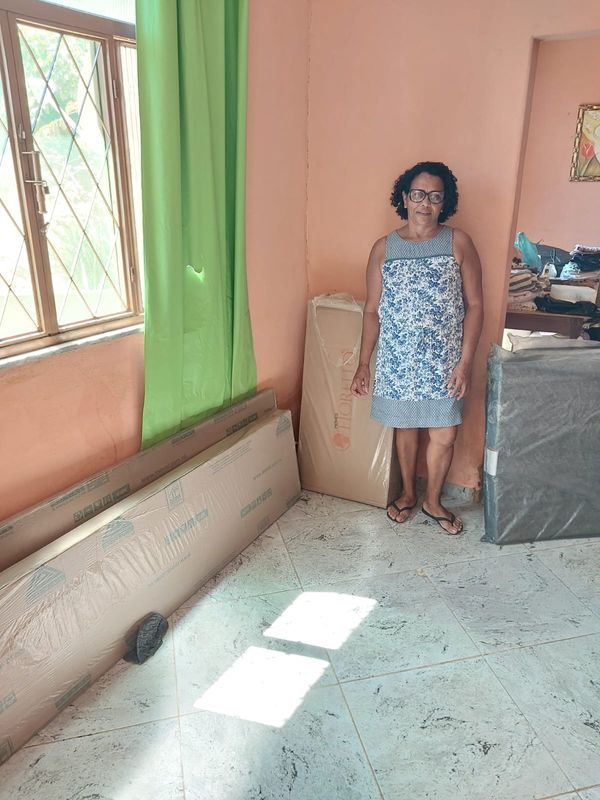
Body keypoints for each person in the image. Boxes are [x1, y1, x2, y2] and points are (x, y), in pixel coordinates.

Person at [350, 161, 483, 535]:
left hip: (444, 361)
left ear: (444, 202)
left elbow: (475, 306)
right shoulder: (384, 249)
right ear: (405, 198)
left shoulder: (458, 242)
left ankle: (433, 500)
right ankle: (409, 493)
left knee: (445, 433)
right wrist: (364, 363)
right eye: (419, 194)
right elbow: (372, 310)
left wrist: (465, 362)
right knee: (405, 429)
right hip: (398, 361)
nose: (426, 203)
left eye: (435, 196)